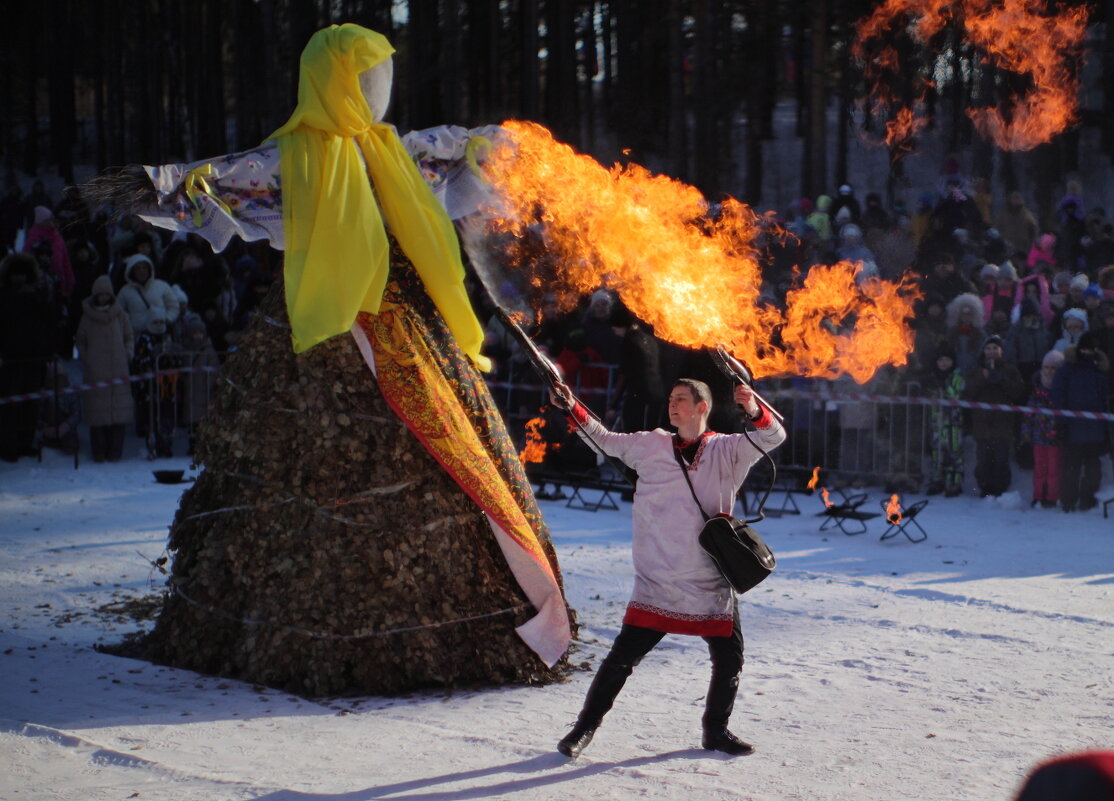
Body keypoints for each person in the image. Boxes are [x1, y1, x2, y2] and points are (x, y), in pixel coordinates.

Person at [549, 377, 786, 758]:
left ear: (701, 407)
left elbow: (773, 435)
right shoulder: (650, 443)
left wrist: (753, 408)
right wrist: (570, 405)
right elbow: (604, 440)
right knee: (621, 661)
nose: (672, 405)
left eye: (681, 399)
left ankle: (716, 732)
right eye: (671, 399)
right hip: (658, 577)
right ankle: (583, 729)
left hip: (708, 579)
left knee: (729, 660)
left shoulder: (728, 450)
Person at [75, 274, 135, 462]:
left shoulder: (120, 315)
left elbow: (129, 336)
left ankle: (116, 452)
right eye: (100, 295)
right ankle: (99, 452)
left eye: (106, 294)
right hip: (96, 372)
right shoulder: (87, 318)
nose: (103, 298)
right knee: (98, 416)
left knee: (119, 415)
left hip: (119, 369)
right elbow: (80, 341)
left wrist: (127, 353)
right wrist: (87, 359)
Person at [1052, 331, 1109, 512]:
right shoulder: (1066, 370)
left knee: (1093, 469)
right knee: (1070, 468)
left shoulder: (1100, 373)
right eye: (1083, 349)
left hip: (1094, 430)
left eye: (1090, 349)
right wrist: (1061, 423)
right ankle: (1068, 501)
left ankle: (1088, 500)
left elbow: (1104, 402)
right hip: (1072, 428)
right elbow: (1058, 397)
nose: (1086, 352)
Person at [963, 334, 1025, 497]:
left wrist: (1001, 380)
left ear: (1001, 351)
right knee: (983, 459)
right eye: (988, 348)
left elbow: (1018, 393)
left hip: (1002, 423)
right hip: (982, 423)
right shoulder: (977, 370)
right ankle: (984, 487)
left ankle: (1000, 489)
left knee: (1000, 459)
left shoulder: (1010, 370)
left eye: (995, 348)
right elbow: (968, 392)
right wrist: (982, 379)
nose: (991, 351)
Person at [1021, 350, 1063, 508]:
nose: (1050, 371)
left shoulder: (1061, 392)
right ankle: (1038, 495)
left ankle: (1052, 496)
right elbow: (1028, 415)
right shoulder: (1036, 391)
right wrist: (1026, 433)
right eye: (1047, 367)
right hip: (1038, 437)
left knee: (1054, 469)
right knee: (1040, 468)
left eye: (1054, 368)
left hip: (1055, 438)